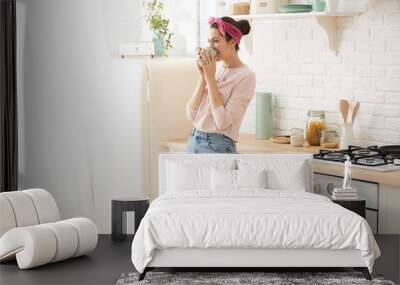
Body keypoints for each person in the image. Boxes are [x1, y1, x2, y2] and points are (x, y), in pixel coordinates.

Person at [186, 16, 256, 154]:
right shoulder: (214, 70)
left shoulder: (246, 76)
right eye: (209, 42)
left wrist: (210, 79)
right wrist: (203, 78)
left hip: (217, 146)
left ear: (232, 42)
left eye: (216, 41)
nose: (210, 47)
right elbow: (190, 114)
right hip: (194, 139)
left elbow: (222, 123)